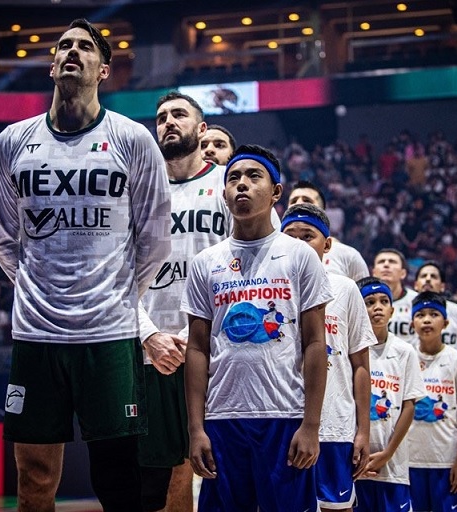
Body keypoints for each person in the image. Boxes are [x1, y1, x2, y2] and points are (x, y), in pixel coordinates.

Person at [0, 18, 172, 512]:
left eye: (85, 47)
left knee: (118, 481)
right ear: (52, 66)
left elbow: (154, 241)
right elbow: (4, 239)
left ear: (103, 68)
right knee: (35, 477)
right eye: (63, 45)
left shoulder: (133, 139)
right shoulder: (12, 142)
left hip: (110, 335)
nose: (72, 51)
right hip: (36, 336)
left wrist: (115, 299)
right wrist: (35, 289)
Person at [181, 144, 332, 512]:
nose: (242, 185)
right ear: (224, 192)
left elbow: (315, 344)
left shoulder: (300, 257)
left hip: (284, 417)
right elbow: (197, 349)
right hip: (223, 419)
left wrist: (311, 426)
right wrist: (196, 429)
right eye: (234, 178)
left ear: (276, 192)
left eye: (253, 176)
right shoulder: (205, 263)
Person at [135, 91, 230, 512]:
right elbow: (116, 273)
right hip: (155, 351)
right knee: (164, 475)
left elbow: (259, 268)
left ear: (201, 128)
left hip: (220, 348)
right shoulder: (137, 191)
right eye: (161, 117)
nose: (168, 122)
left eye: (179, 114)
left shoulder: (230, 186)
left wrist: (196, 332)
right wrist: (149, 334)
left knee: (221, 466)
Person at [281, 202, 374, 511]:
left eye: (307, 236)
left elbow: (361, 365)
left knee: (338, 508)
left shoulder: (345, 289)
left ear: (327, 244)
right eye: (289, 235)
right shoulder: (271, 287)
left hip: (335, 424)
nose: (297, 243)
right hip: (284, 420)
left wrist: (363, 430)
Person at [353, 277, 426, 512]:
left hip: (393, 465)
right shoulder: (349, 348)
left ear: (392, 310)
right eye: (369, 301)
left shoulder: (405, 351)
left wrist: (388, 453)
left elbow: (409, 406)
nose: (377, 307)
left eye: (384, 301)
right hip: (353, 463)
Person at [407, 291, 457, 512]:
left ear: (445, 322)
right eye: (421, 315)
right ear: (412, 323)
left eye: (433, 314)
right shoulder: (404, 357)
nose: (426, 319)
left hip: (446, 460)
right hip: (410, 460)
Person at [288, 180, 370, 281]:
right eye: (293, 201)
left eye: (307, 200)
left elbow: (365, 295)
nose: (299, 204)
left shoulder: (349, 255)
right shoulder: (273, 251)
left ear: (323, 211)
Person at [371, 248, 419, 348]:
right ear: (374, 272)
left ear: (403, 273)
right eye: (381, 262)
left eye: (392, 262)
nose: (386, 265)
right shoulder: (362, 301)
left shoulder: (417, 301)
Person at [413, 260, 457, 351]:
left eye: (433, 276)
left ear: (442, 286)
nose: (428, 279)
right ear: (416, 285)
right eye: (423, 276)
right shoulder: (404, 310)